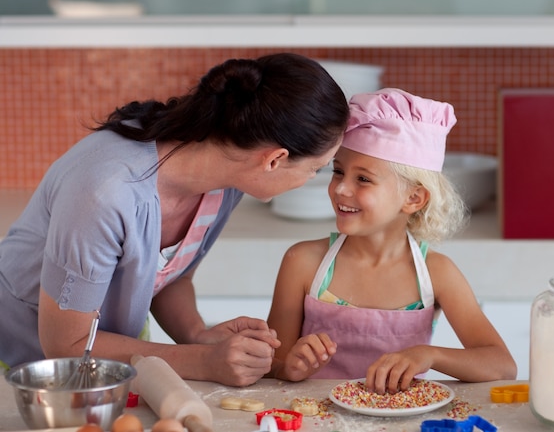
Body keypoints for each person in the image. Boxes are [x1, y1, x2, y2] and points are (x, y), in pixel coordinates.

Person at [0, 52, 349, 387]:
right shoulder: (105, 194)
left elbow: (168, 276)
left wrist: (199, 335)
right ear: (274, 160)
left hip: (114, 359)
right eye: (316, 169)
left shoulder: (224, 182)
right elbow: (67, 345)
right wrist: (201, 361)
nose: (312, 180)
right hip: (24, 364)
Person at [266, 88, 517, 393]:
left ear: (413, 198)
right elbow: (274, 365)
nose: (341, 189)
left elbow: (502, 365)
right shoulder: (303, 263)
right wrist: (289, 367)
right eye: (338, 172)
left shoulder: (436, 273)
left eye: (363, 179)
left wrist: (430, 355)